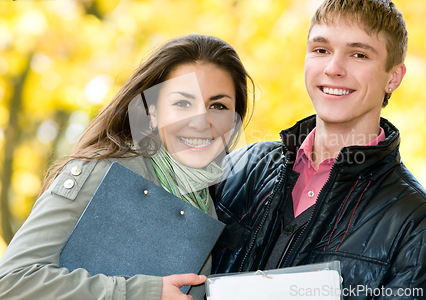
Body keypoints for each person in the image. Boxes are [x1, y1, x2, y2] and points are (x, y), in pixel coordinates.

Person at [212, 0, 426, 299]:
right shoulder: (240, 168)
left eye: (358, 54)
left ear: (393, 77)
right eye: (321, 50)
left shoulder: (419, 227)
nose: (333, 68)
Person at [0, 34, 253, 300]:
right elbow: (12, 281)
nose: (202, 122)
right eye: (182, 103)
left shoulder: (209, 207)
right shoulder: (99, 172)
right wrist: (143, 292)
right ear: (152, 113)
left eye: (218, 106)